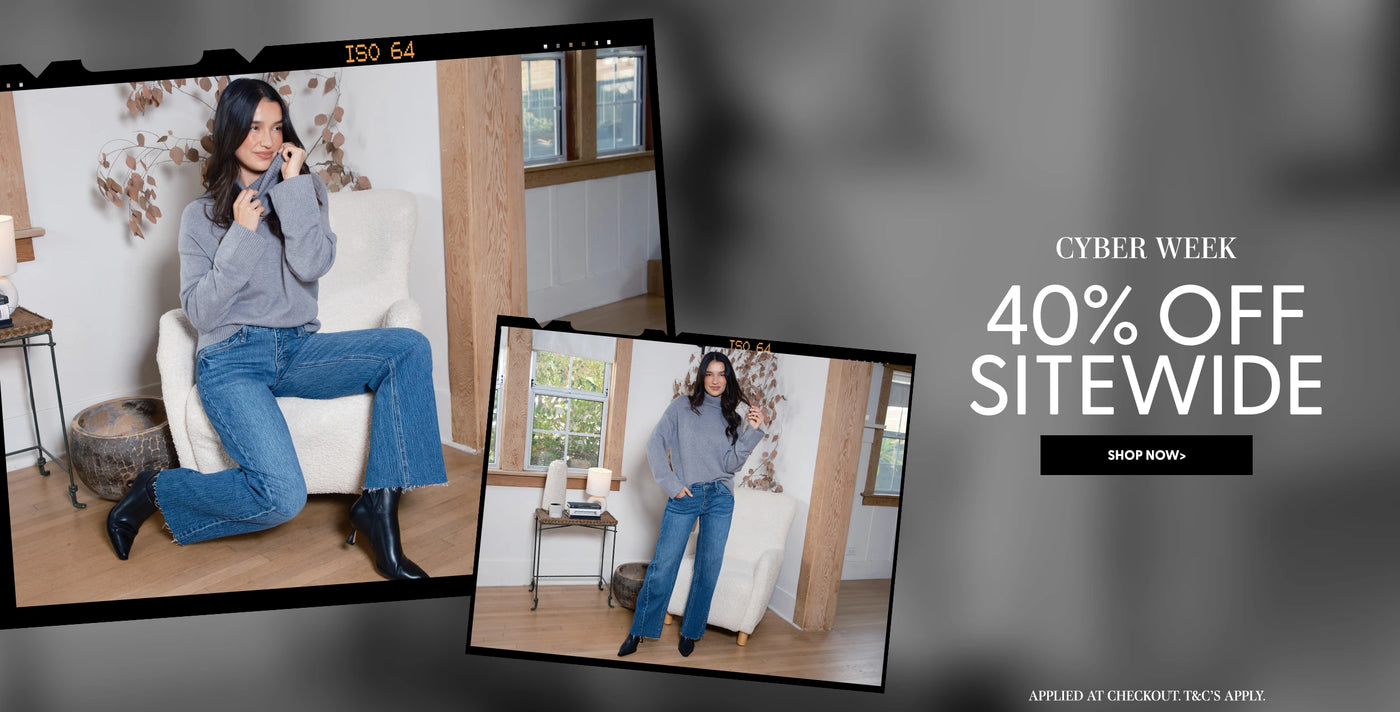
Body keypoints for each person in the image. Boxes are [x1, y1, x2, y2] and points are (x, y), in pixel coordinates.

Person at [106, 78, 447, 580]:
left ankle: (378, 506)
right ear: (230, 133)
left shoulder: (303, 191)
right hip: (231, 361)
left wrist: (292, 192)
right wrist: (240, 236)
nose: (266, 140)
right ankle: (156, 488)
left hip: (298, 348)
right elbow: (200, 313)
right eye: (253, 127)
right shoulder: (201, 217)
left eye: (276, 126)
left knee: (408, 349)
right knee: (282, 497)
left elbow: (312, 265)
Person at [619, 351, 766, 657]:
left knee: (708, 568)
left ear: (728, 378)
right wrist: (673, 486)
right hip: (686, 495)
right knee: (664, 564)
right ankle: (639, 630)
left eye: (721, 374)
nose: (715, 380)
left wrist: (751, 432)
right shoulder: (682, 407)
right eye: (709, 374)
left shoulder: (733, 418)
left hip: (721, 498)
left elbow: (731, 464)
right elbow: (655, 444)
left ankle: (691, 632)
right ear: (701, 377)